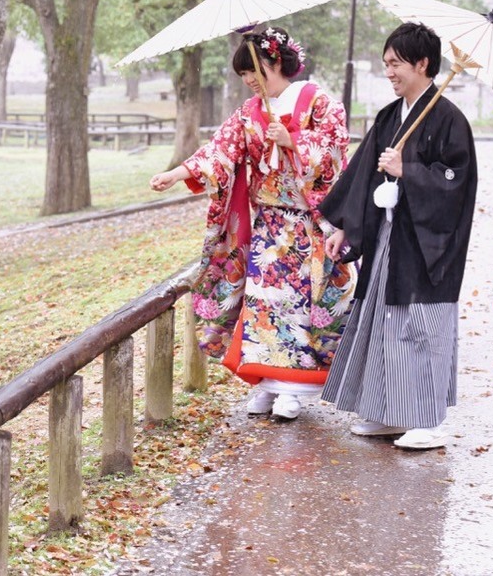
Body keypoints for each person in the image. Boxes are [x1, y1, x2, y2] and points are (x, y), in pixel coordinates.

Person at [151, 26, 356, 420]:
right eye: (243, 74)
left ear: (276, 62)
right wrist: (178, 173)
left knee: (299, 306)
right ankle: (267, 382)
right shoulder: (250, 112)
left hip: (307, 224)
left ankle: (293, 390)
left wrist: (293, 139)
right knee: (263, 304)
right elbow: (221, 150)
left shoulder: (319, 103)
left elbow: (334, 150)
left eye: (253, 71)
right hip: (268, 224)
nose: (248, 81)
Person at [319, 22, 478, 450]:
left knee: (419, 323)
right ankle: (388, 412)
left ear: (423, 64)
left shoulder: (448, 119)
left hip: (428, 242)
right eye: (385, 63)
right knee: (381, 319)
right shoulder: (391, 116)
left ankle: (426, 419)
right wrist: (347, 228)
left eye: (396, 64)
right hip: (388, 234)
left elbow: (456, 182)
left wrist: (407, 170)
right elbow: (360, 174)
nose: (388, 72)